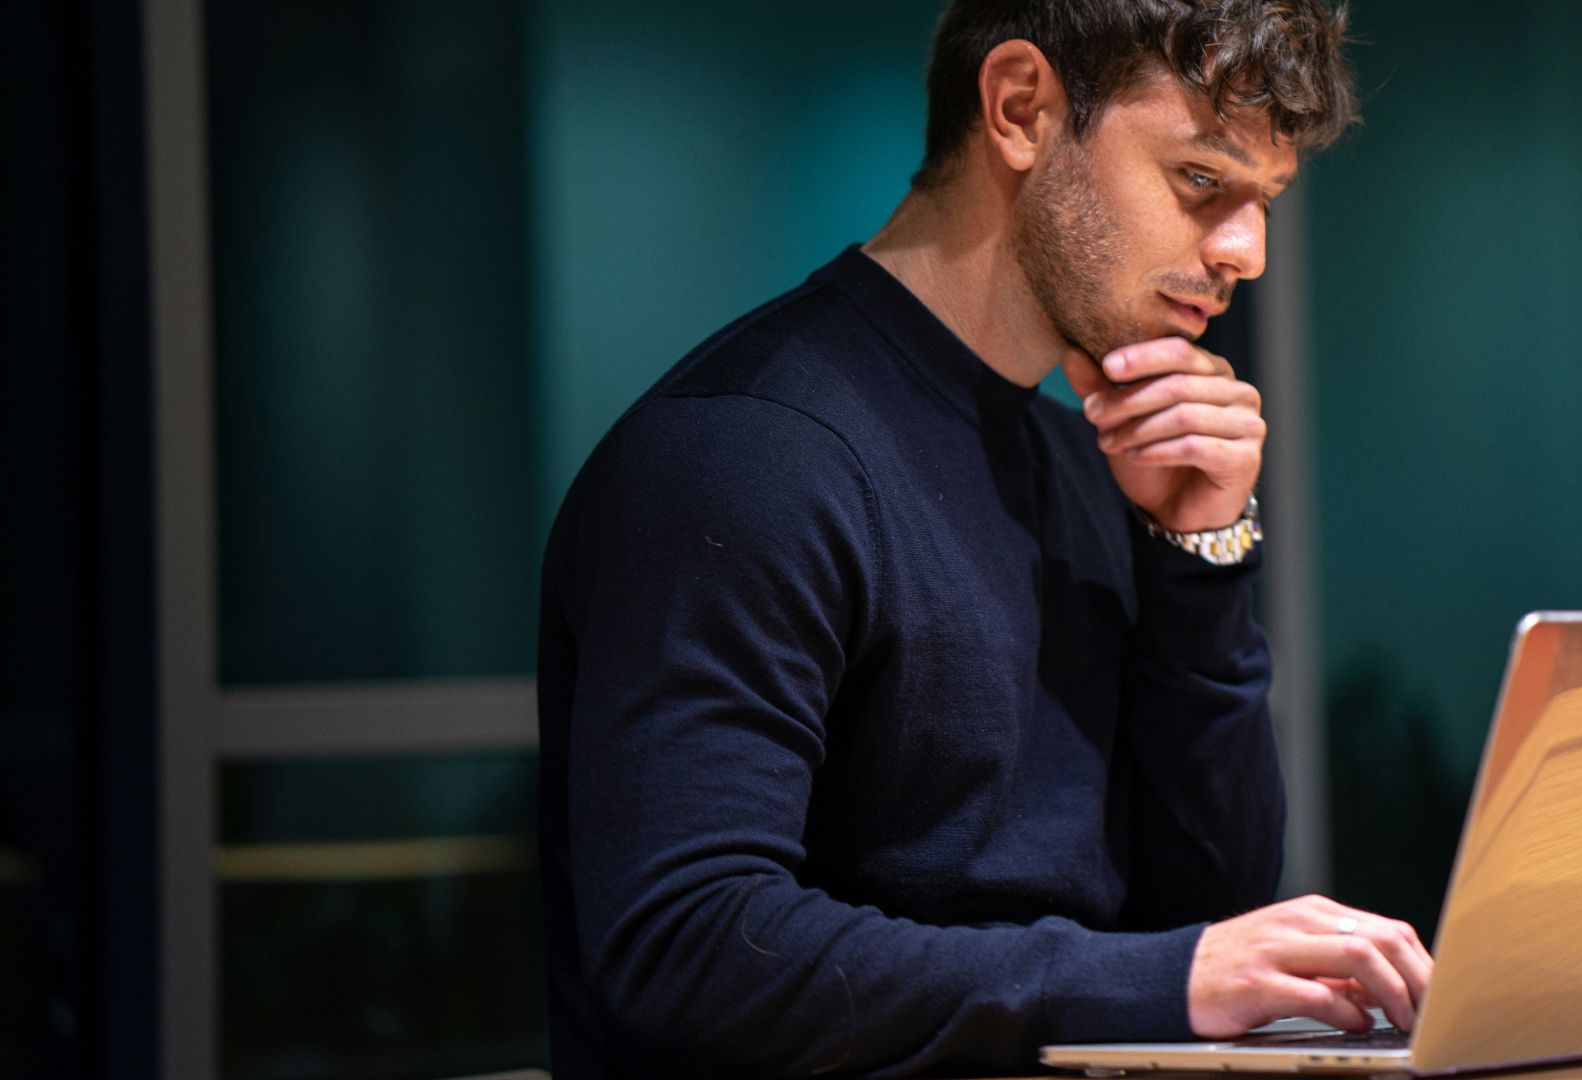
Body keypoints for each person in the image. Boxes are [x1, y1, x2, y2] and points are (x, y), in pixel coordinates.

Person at [536, 2, 1431, 1076]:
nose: (1247, 251)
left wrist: (1194, 547)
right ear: (1020, 109)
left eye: (1266, 201)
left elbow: (1205, 911)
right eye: (1201, 181)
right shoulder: (748, 455)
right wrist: (1154, 980)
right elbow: (687, 947)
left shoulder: (1084, 464)